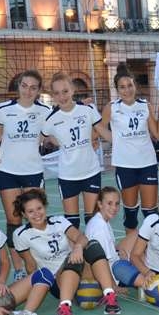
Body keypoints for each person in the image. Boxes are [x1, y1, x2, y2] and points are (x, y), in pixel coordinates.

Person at [13, 189, 121, 315]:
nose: (37, 214)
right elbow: (31, 266)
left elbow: (81, 237)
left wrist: (78, 247)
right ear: (24, 214)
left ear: (44, 207)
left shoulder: (58, 221)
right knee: (72, 260)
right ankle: (64, 309)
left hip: (77, 267)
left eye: (39, 208)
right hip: (57, 281)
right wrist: (37, 288)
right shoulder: (21, 234)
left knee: (92, 244)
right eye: (30, 211)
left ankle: (110, 296)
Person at [0, 70, 51, 281]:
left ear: (38, 90)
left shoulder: (45, 111)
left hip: (33, 171)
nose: (28, 91)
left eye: (33, 87)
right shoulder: (3, 109)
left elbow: (50, 136)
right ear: (18, 86)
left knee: (36, 219)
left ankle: (39, 264)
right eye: (24, 86)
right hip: (7, 171)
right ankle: (19, 269)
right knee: (14, 220)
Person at [41, 72, 111, 229]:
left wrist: (124, 141)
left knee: (93, 220)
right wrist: (51, 139)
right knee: (72, 223)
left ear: (73, 90)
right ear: (53, 95)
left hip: (90, 172)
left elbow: (103, 131)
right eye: (57, 93)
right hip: (68, 175)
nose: (62, 96)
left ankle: (95, 245)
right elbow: (38, 140)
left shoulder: (87, 110)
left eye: (65, 91)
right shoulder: (50, 119)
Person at [100, 63, 159, 233]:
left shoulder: (145, 105)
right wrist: (114, 139)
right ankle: (131, 247)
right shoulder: (112, 107)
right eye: (122, 87)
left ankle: (151, 246)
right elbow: (98, 128)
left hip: (147, 163)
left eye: (130, 85)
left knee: (150, 213)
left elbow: (157, 133)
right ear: (117, 89)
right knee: (131, 213)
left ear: (135, 86)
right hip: (125, 165)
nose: (127, 90)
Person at [84, 186, 137, 289]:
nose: (114, 208)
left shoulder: (100, 219)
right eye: (109, 203)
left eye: (117, 204)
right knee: (141, 252)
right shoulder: (100, 227)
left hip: (113, 264)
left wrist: (117, 251)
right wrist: (113, 286)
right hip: (115, 274)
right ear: (100, 204)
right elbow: (103, 262)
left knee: (138, 234)